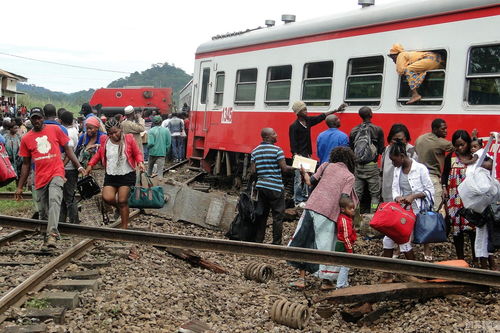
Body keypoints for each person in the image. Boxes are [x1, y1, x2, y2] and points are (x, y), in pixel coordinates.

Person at [288, 147, 357, 290]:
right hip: (329, 212)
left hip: (312, 205)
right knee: (325, 245)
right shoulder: (349, 176)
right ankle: (326, 281)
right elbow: (344, 198)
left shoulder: (326, 165)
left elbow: (310, 182)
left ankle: (301, 279)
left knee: (304, 239)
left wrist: (304, 172)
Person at [15, 108, 86, 248]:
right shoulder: (26, 138)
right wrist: (19, 187)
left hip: (57, 172)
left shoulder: (55, 130)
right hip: (40, 177)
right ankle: (45, 237)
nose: (37, 121)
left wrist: (78, 166)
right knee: (43, 211)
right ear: (30, 119)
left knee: (55, 200)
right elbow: (26, 164)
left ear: (43, 117)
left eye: (39, 118)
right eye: (34, 118)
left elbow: (68, 149)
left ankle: (52, 234)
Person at [380, 140, 435, 283]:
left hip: (417, 210)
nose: (393, 164)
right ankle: (392, 274)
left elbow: (430, 190)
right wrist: (398, 197)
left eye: (394, 160)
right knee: (390, 238)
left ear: (402, 156)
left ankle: (413, 272)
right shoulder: (397, 170)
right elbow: (394, 189)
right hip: (403, 211)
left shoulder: (420, 168)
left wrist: (413, 196)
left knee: (400, 238)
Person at [86, 118, 144, 229]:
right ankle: (121, 208)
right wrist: (90, 165)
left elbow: (137, 153)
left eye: (115, 132)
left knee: (122, 200)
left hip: (126, 174)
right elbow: (99, 154)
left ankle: (124, 228)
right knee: (107, 198)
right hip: (111, 174)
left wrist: (140, 162)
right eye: (110, 133)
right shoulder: (105, 140)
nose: (113, 135)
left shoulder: (129, 139)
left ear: (120, 129)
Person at [289, 101, 346, 207]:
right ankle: (297, 200)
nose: (306, 111)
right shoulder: (294, 126)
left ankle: (305, 198)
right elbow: (293, 143)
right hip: (299, 155)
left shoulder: (308, 121)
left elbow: (321, 117)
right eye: (303, 110)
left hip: (307, 154)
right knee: (298, 178)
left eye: (306, 109)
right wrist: (296, 155)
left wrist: (336, 110)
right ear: (298, 112)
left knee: (307, 177)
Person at [250, 128, 294, 245]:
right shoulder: (277, 150)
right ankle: (276, 242)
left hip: (261, 186)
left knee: (262, 215)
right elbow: (284, 169)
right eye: (274, 133)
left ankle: (258, 241)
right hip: (275, 187)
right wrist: (298, 167)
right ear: (268, 137)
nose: (277, 135)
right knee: (277, 216)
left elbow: (253, 171)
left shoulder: (255, 151)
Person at [441, 130, 478, 262]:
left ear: (468, 143)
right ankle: (460, 258)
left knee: (473, 229)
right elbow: (444, 174)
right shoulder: (450, 157)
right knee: (457, 229)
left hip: (471, 199)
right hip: (454, 198)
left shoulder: (474, 157)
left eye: (462, 144)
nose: (460, 148)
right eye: (457, 145)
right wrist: (444, 188)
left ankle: (476, 257)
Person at [349, 106, 385, 213]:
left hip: (358, 166)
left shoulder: (354, 130)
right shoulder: (377, 129)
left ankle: (356, 217)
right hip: (372, 166)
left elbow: (351, 148)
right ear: (371, 114)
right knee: (374, 194)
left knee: (357, 194)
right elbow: (381, 149)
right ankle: (373, 215)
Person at [415, 119, 454, 211]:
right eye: (443, 129)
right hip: (433, 177)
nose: (446, 131)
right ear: (435, 129)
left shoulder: (420, 138)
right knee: (436, 206)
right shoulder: (441, 142)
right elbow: (457, 147)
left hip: (419, 176)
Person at [381, 124, 418, 202]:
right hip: (388, 193)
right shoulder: (386, 150)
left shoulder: (411, 151)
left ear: (406, 139)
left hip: (405, 196)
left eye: (400, 140)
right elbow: (382, 171)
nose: (397, 142)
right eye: (395, 139)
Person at [59, 111, 80, 224]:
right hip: (70, 168)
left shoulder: (67, 132)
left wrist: (61, 166)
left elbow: (69, 151)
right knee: (65, 197)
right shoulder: (74, 131)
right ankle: (62, 221)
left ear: (61, 121)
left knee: (69, 197)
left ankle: (74, 221)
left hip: (68, 168)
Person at [336, 196, 357, 289]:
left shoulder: (347, 218)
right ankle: (340, 285)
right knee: (345, 265)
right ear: (343, 209)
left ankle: (343, 283)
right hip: (343, 245)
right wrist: (349, 249)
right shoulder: (344, 220)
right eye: (350, 208)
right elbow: (345, 236)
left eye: (353, 208)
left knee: (345, 265)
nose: (353, 210)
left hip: (345, 244)